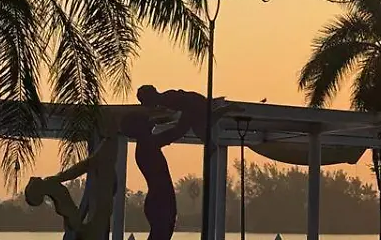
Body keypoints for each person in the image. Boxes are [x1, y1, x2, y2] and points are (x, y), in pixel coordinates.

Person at [24, 132, 120, 240]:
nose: (33, 179)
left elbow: (74, 172)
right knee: (103, 210)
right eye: (33, 184)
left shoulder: (51, 185)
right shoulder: (52, 186)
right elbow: (73, 172)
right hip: (80, 229)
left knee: (102, 210)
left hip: (79, 228)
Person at [121, 109, 194, 240]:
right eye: (146, 121)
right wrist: (189, 110)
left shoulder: (144, 145)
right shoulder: (148, 144)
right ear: (140, 128)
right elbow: (176, 132)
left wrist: (170, 117)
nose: (151, 122)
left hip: (159, 199)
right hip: (161, 200)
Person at [135, 85, 231, 138]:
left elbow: (173, 116)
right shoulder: (165, 100)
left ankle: (223, 110)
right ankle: (222, 110)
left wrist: (156, 121)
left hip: (196, 105)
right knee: (200, 128)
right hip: (194, 105)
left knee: (200, 128)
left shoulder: (166, 99)